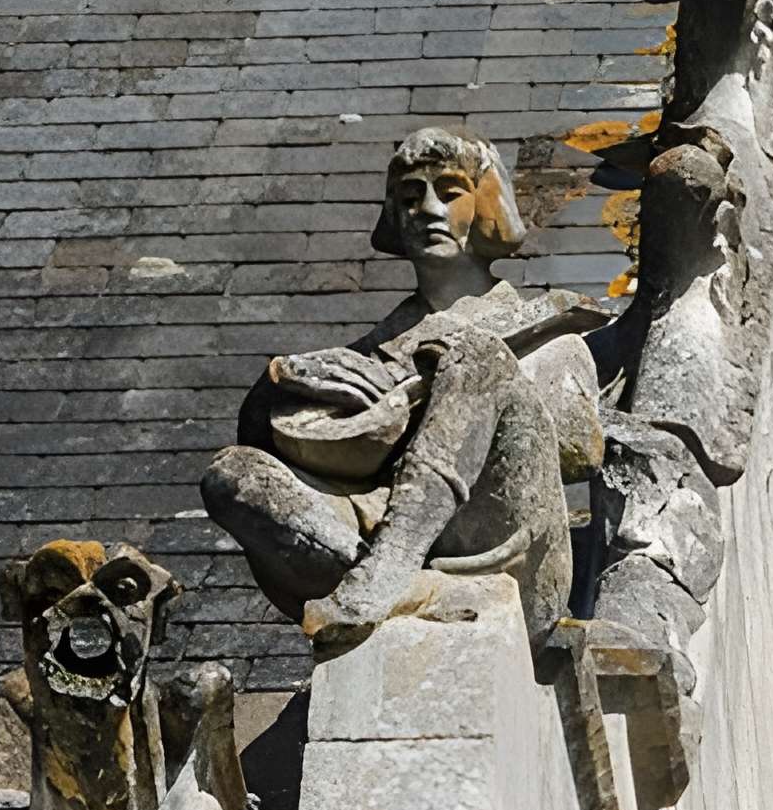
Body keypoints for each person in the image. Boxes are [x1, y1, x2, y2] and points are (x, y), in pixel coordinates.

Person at [200, 128, 602, 646]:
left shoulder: (546, 327)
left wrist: (442, 403)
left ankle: (389, 573)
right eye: (410, 197)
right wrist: (276, 390)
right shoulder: (374, 351)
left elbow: (577, 451)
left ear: (484, 205)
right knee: (233, 476)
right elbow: (299, 452)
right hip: (374, 536)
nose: (427, 209)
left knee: (475, 355)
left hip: (508, 560)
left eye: (449, 192)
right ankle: (405, 584)